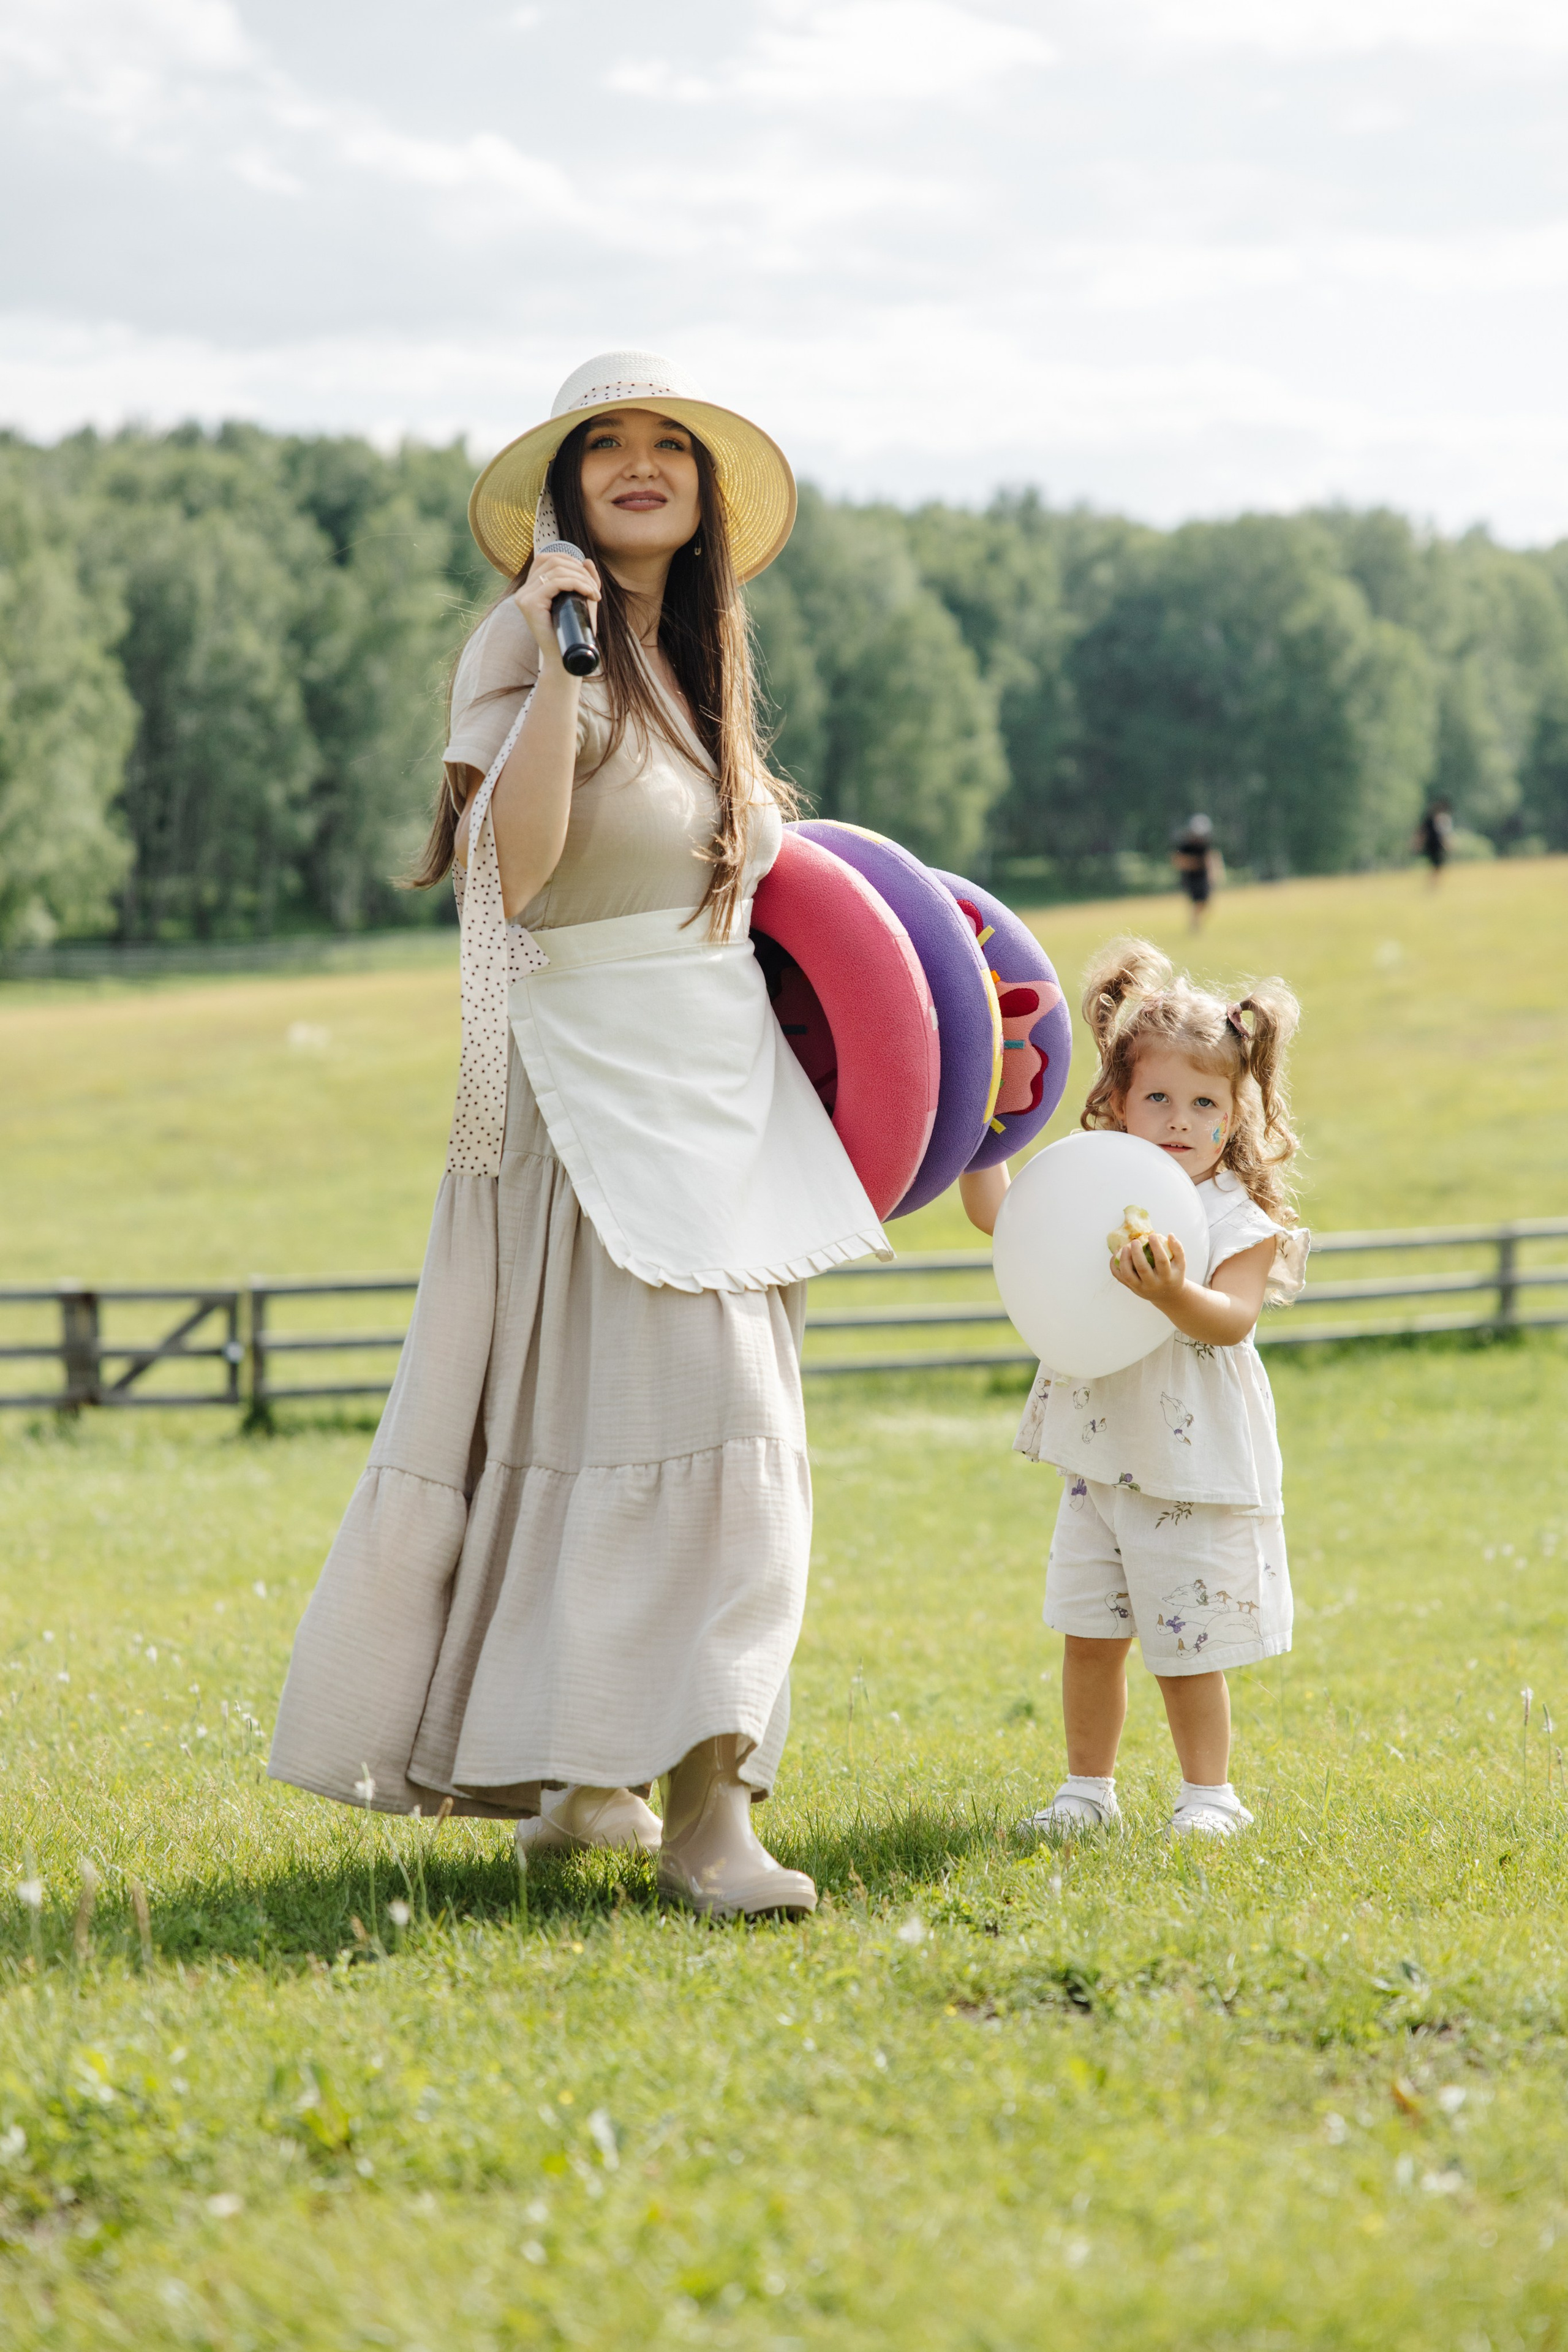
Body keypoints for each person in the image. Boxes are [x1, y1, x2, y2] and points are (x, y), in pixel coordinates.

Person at [268, 352, 890, 1918]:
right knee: (711, 1434)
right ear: (558, 491)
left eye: (662, 443)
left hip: (716, 1092)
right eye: (598, 444)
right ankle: (705, 1818)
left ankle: (585, 1784)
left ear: (702, 489)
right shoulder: (531, 639)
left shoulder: (699, 665)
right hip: (590, 1094)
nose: (632, 464)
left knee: (647, 1428)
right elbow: (520, 877)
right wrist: (558, 662)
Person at [958, 938, 1308, 1841]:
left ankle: (1209, 1796)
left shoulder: (1241, 1216)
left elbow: (1230, 1319)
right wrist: (980, 1125)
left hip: (1188, 1463)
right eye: (1158, 1098)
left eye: (1205, 1103)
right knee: (1090, 1632)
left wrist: (1170, 1292)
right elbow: (1001, 1218)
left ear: (1233, 1117)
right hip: (1100, 1457)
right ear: (1117, 1104)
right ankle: (1086, 1790)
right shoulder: (1092, 1186)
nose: (1180, 1119)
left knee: (1187, 1644)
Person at [1170, 813, 1222, 932]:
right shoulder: (1185, 845)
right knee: (1197, 902)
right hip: (1191, 878)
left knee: (1205, 903)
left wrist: (1213, 874)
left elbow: (1210, 859)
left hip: (1202, 877)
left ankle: (1196, 923)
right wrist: (1196, 864)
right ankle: (1195, 924)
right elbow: (1178, 861)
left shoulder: (1205, 844)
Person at [1415, 797, 1454, 886]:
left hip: (1437, 846)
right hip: (1433, 846)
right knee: (1436, 866)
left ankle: (1433, 883)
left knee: (1437, 866)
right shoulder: (1430, 821)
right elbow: (1422, 833)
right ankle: (1433, 883)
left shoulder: (1441, 819)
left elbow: (1444, 835)